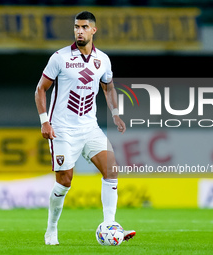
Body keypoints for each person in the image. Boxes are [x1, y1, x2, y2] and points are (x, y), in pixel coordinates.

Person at [35, 11, 136, 245]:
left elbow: (109, 87)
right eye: (76, 27)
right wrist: (44, 121)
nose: (79, 31)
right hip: (62, 129)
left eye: (83, 27)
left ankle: (109, 224)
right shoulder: (59, 58)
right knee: (65, 180)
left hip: (89, 127)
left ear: (93, 30)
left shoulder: (103, 60)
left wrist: (116, 115)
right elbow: (40, 89)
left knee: (112, 170)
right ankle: (51, 229)